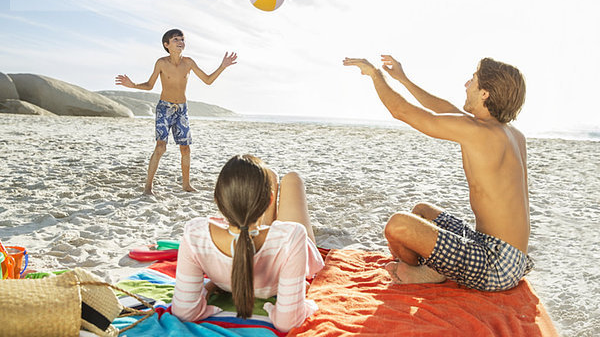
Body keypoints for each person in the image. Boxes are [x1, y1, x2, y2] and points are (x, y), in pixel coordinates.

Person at [343, 55, 533, 292]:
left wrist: (374, 74)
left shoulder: (481, 132)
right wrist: (402, 79)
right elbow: (443, 108)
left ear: (485, 93)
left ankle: (427, 273)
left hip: (496, 265)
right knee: (422, 211)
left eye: (473, 80)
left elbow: (401, 111)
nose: (466, 85)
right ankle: (434, 270)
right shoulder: (510, 134)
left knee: (398, 225)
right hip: (508, 257)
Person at [171, 154, 324, 332]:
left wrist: (207, 288)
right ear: (270, 201)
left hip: (231, 278)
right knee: (291, 179)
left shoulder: (195, 234)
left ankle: (265, 183)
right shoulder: (292, 235)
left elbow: (184, 312)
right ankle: (270, 185)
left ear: (218, 200)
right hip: (280, 254)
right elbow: (288, 323)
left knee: (268, 177)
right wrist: (304, 305)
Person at [115, 29, 237, 195]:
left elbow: (208, 80)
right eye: (175, 39)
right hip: (164, 108)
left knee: (185, 149)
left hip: (182, 109)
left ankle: (186, 185)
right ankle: (148, 187)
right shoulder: (161, 63)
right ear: (166, 45)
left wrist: (222, 66)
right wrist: (133, 85)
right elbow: (150, 85)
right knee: (160, 147)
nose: (180, 42)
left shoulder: (189, 62)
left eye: (182, 39)